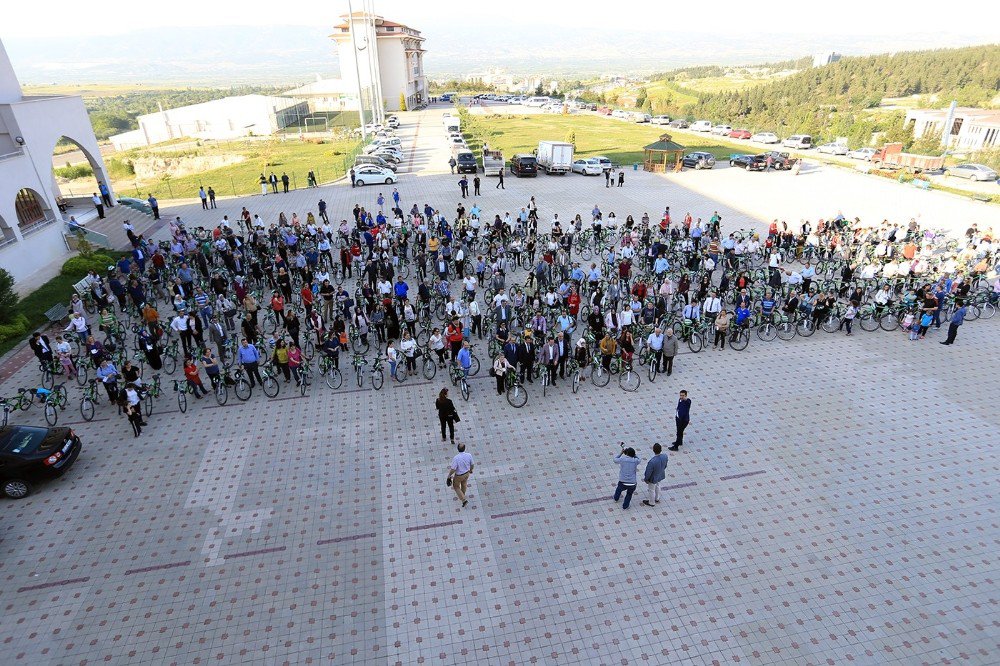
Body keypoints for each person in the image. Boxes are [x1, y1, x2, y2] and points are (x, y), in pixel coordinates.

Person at [613, 444, 643, 510]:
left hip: (623, 481)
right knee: (629, 494)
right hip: (632, 483)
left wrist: (621, 452)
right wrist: (634, 455)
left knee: (619, 489)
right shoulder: (635, 461)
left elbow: (615, 459)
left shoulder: (622, 459)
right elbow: (639, 459)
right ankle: (625, 506)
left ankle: (616, 498)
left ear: (626, 453)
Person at [446, 442, 474, 507]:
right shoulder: (469, 455)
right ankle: (462, 494)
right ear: (464, 448)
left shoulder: (456, 458)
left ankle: (463, 500)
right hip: (466, 473)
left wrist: (449, 475)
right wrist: (471, 470)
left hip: (459, 475)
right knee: (464, 484)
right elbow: (472, 464)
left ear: (457, 449)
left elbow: (453, 469)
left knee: (456, 486)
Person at [641, 443, 669, 507]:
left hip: (653, 478)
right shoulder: (665, 456)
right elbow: (665, 465)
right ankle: (657, 498)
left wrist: (646, 479)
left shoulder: (652, 461)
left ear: (653, 450)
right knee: (658, 485)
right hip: (660, 474)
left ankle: (651, 502)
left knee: (651, 489)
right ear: (661, 449)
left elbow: (648, 472)